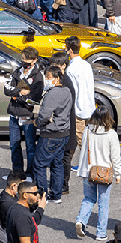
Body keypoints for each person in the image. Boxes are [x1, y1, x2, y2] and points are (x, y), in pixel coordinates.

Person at [74, 104, 121, 241]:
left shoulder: (88, 130)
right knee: (103, 204)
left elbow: (83, 150)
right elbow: (115, 156)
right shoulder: (111, 134)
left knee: (88, 199)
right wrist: (117, 174)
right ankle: (101, 233)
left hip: (88, 171)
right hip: (104, 172)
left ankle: (81, 221)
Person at [33, 63, 74, 203]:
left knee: (39, 164)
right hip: (64, 133)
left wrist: (37, 122)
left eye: (48, 77)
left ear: (56, 78)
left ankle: (42, 194)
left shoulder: (53, 93)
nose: (47, 80)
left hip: (51, 133)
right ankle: (56, 195)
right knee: (57, 164)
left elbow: (44, 114)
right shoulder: (67, 91)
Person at [5, 45, 44, 176]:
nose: (24, 62)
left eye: (27, 59)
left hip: (28, 117)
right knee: (14, 146)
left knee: (30, 147)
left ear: (34, 60)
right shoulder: (17, 72)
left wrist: (16, 96)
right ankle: (17, 171)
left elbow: (34, 99)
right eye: (22, 59)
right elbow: (6, 89)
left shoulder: (38, 77)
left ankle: (30, 173)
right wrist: (20, 92)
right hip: (14, 116)